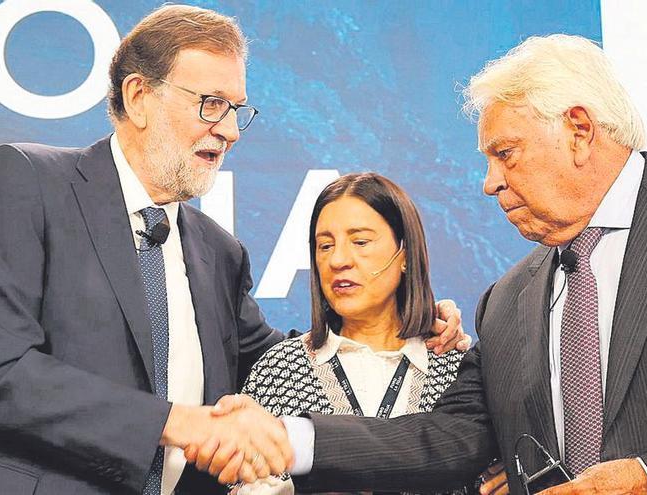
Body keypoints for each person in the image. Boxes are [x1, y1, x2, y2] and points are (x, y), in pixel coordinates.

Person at [200, 34, 647, 494]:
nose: (490, 182)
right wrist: (289, 438)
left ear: (578, 129)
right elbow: (449, 438)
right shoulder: (507, 300)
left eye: (505, 153)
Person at [0, 6, 467, 495]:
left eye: (237, 109)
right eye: (213, 105)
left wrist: (410, 321)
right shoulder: (28, 181)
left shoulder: (219, 252)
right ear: (140, 96)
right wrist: (175, 421)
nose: (231, 130)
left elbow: (288, 364)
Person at [197, 173, 486, 494]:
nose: (338, 260)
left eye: (360, 242)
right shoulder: (281, 369)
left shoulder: (456, 366)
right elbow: (241, 481)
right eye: (325, 246)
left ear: (404, 253)